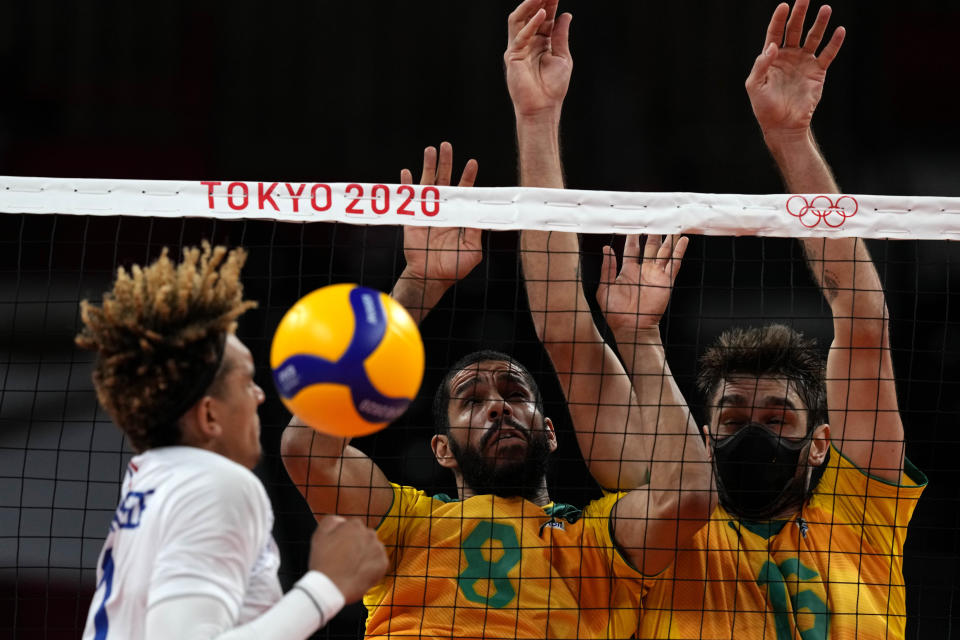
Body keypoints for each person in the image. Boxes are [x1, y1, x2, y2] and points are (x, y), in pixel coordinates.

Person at [280, 4, 713, 637]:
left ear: (552, 432)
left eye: (515, 393)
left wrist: (642, 339)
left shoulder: (597, 544)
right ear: (441, 452)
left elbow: (691, 496)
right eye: (471, 400)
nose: (498, 407)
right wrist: (420, 283)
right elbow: (305, 448)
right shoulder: (405, 528)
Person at [586, 2, 926, 637]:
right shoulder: (670, 526)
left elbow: (862, 317)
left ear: (821, 441)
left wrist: (790, 140)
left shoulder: (860, 513)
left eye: (778, 418)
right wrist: (635, 338)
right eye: (735, 419)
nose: (754, 434)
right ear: (706, 436)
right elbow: (567, 344)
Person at [77, 243, 388, 640]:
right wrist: (326, 585)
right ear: (209, 415)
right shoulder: (213, 482)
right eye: (245, 381)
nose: (259, 395)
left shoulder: (151, 478)